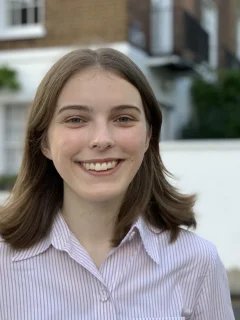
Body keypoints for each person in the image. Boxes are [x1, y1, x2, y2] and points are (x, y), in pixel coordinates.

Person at [0, 48, 234, 320]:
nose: (102, 139)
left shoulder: (198, 263)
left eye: (123, 118)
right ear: (44, 142)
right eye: (76, 119)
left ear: (148, 137)